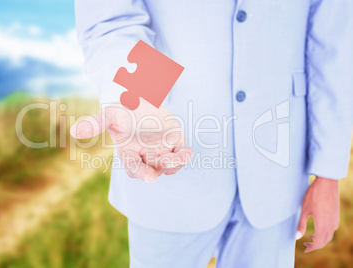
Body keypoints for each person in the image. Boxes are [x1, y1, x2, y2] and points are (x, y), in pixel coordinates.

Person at [71, 1, 353, 267]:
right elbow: (115, 18)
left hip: (278, 169)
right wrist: (139, 99)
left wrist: (328, 172)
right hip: (167, 154)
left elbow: (331, 42)